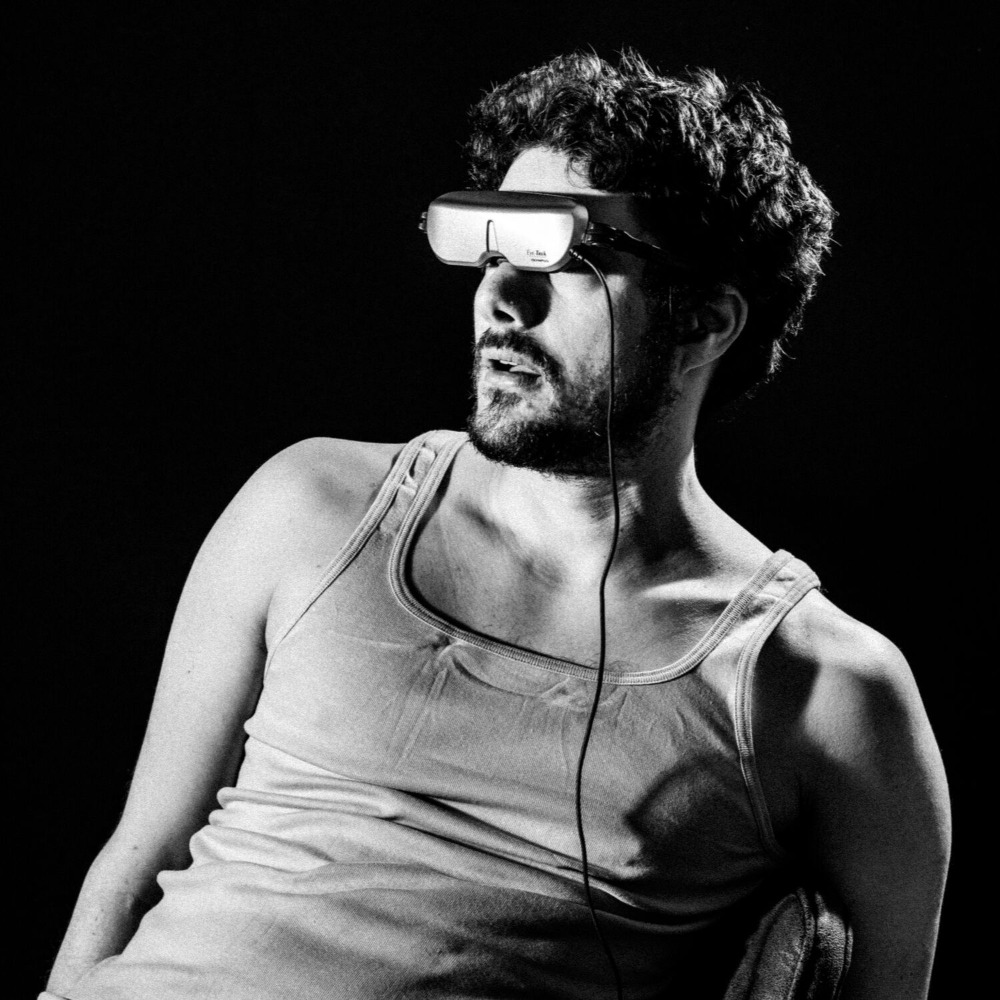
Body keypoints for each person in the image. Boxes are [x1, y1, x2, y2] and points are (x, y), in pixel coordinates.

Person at [44, 51, 950, 1000]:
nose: (501, 300)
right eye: (491, 251)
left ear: (704, 322)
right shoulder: (308, 507)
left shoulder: (825, 693)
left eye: (560, 257)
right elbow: (140, 857)